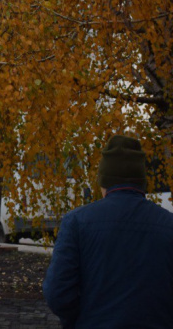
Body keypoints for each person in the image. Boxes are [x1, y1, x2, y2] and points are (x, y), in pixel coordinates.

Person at [43, 135, 173, 328]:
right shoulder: (168, 224)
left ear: (104, 181)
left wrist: (80, 321)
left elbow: (57, 292)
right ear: (141, 181)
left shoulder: (76, 222)